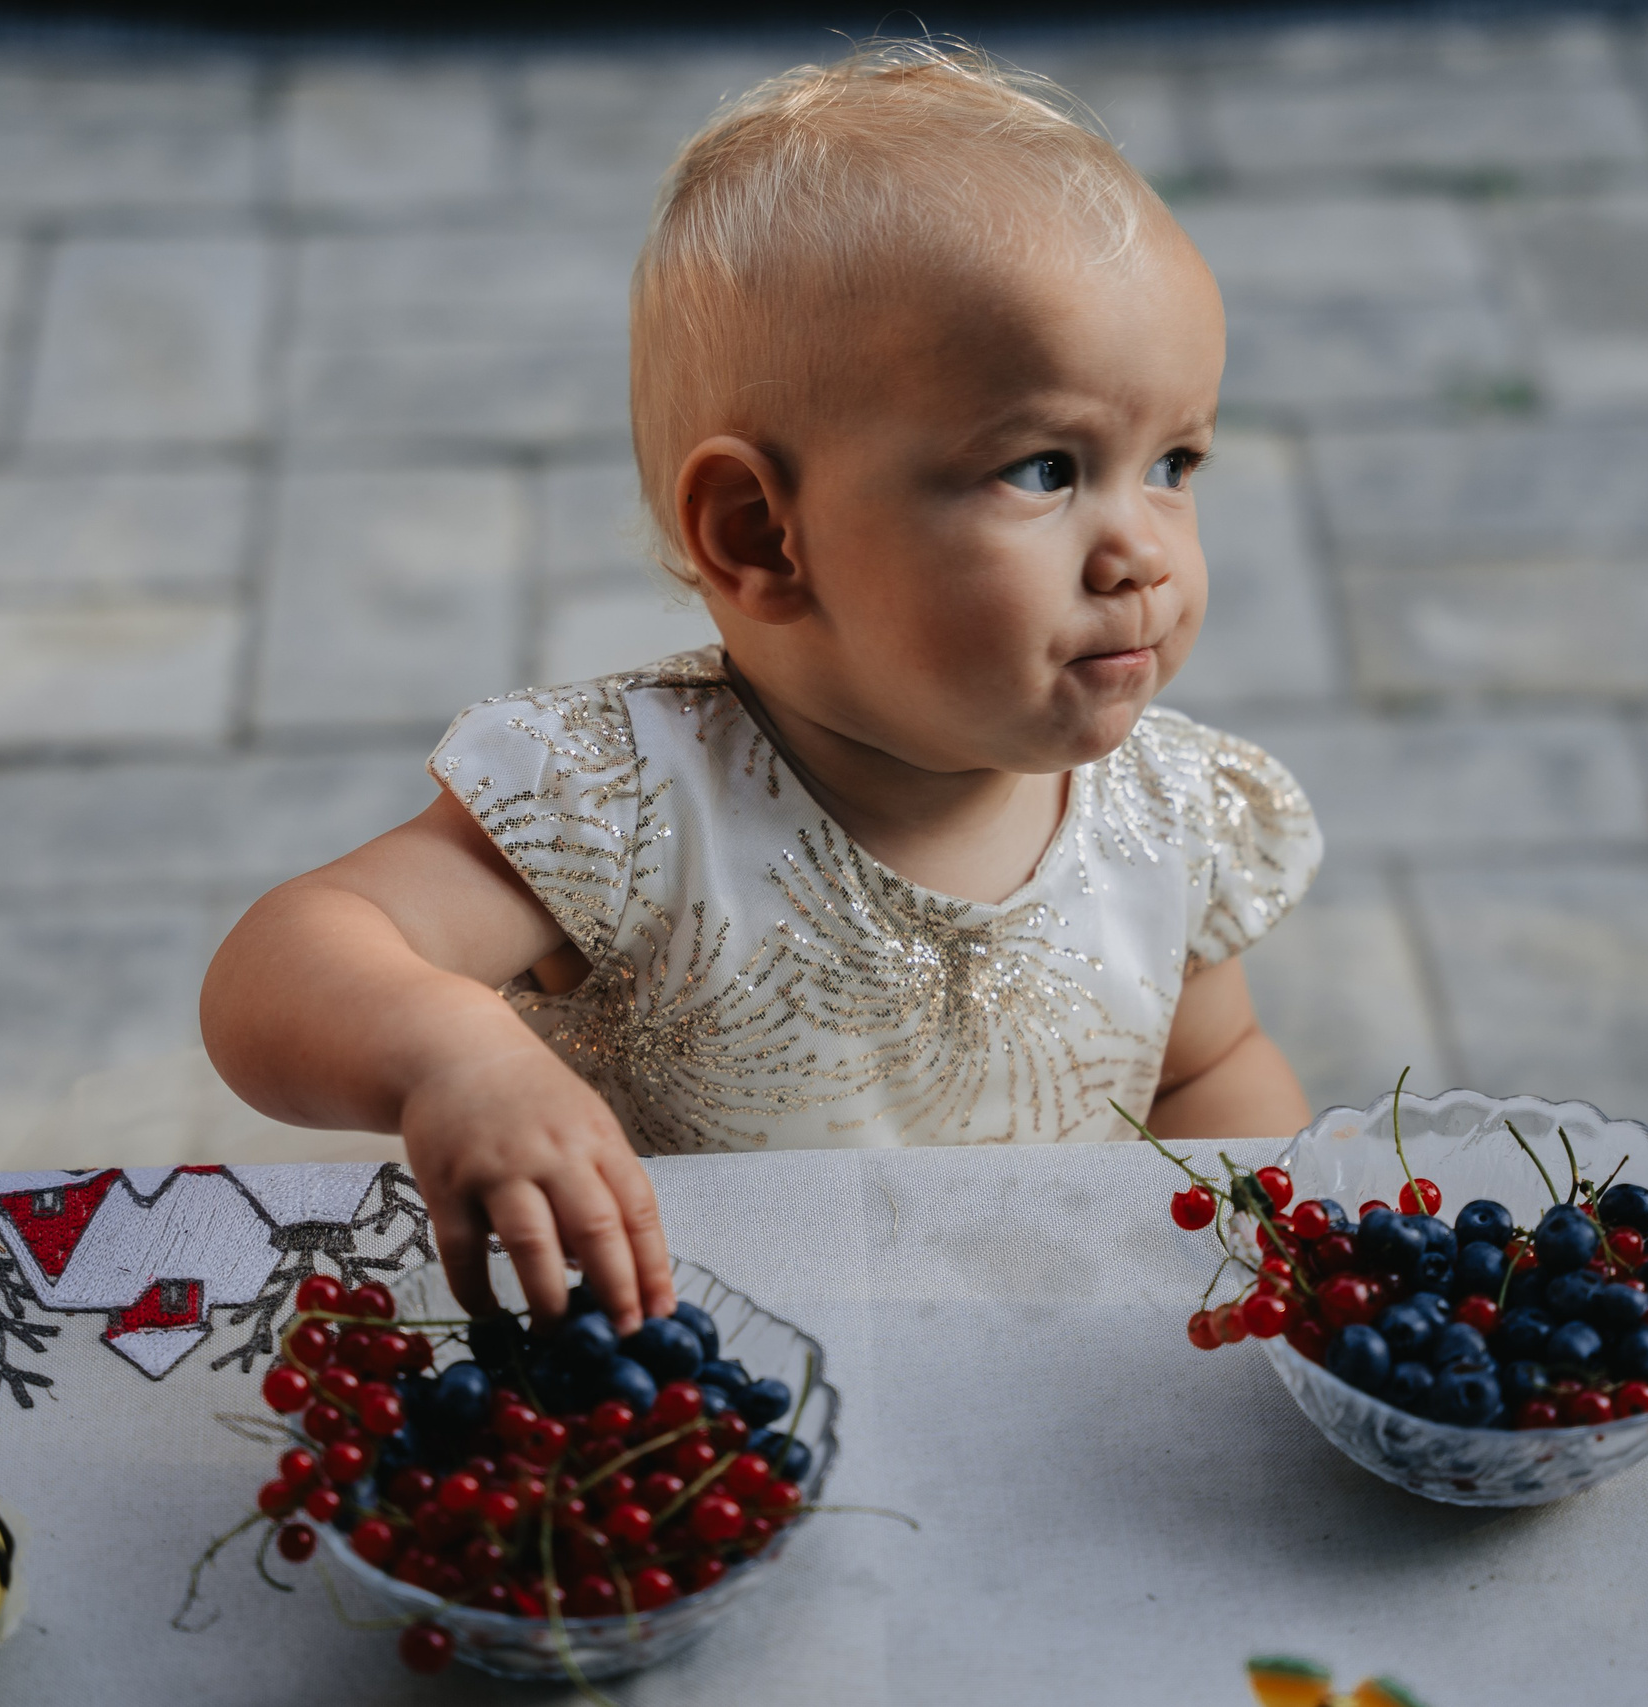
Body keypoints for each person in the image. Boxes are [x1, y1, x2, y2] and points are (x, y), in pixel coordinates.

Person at [202, 41, 1322, 1335]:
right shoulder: (628, 811)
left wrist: (1270, 1263)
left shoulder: (1169, 815)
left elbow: (1205, 1076)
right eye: (1044, 468)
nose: (1141, 553)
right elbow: (282, 966)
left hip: (1029, 1374)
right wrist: (449, 1053)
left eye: (1175, 461)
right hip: (692, 1405)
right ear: (760, 535)